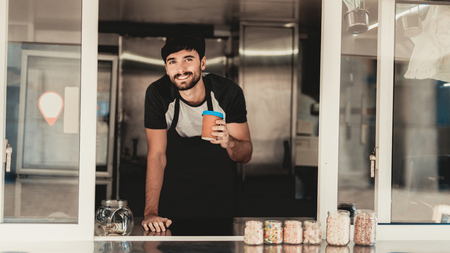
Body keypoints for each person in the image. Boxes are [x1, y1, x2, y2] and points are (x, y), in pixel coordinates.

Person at [141, 30, 253, 233]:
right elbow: (157, 155)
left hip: (219, 203)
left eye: (188, 59)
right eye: (172, 61)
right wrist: (150, 212)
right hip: (172, 203)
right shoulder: (158, 94)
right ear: (166, 68)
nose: (180, 68)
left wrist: (229, 142)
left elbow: (245, 155)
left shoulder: (227, 93)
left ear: (202, 63)